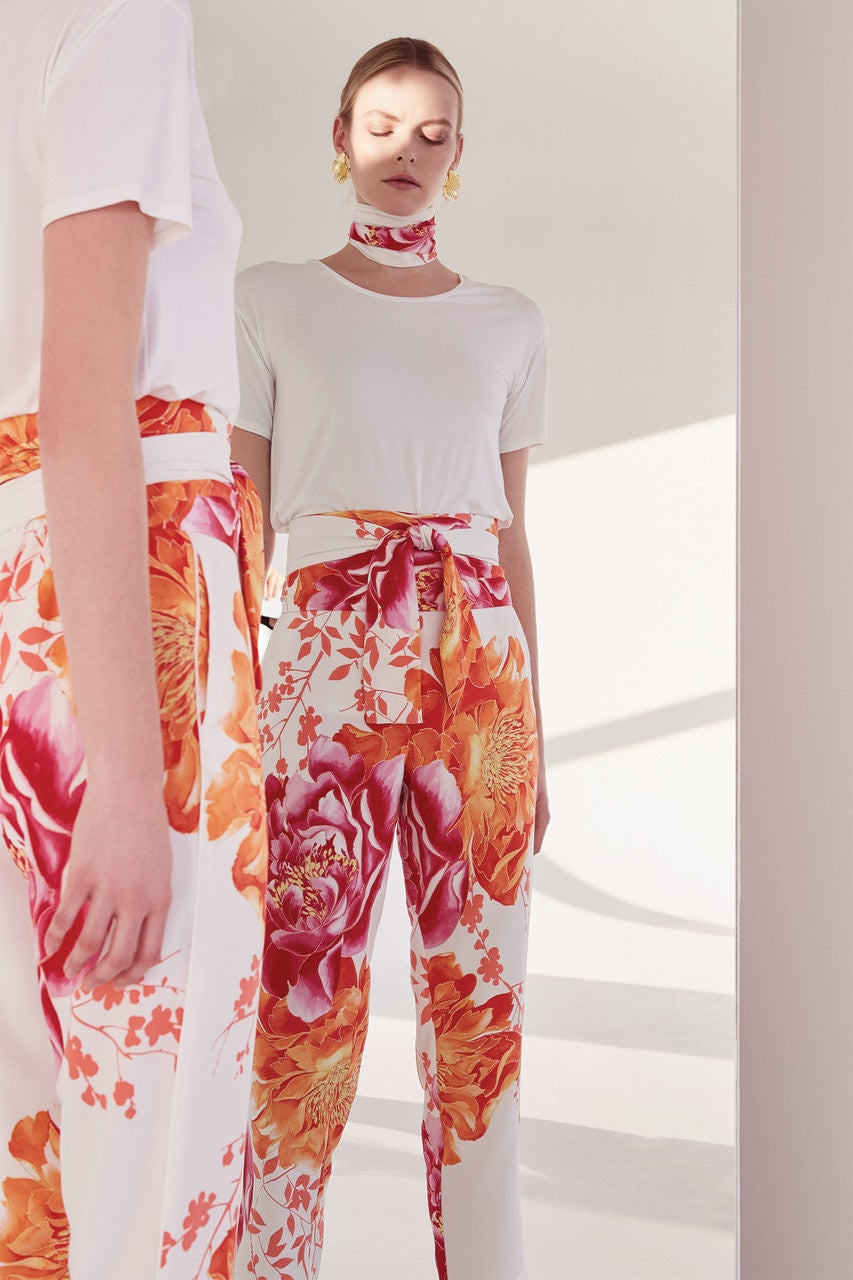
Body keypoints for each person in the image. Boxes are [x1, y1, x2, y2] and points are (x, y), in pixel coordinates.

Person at [231, 36, 549, 1280]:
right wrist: (229, 716)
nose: (406, 151)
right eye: (381, 125)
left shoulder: (509, 321)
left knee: (482, 1011)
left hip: (482, 665)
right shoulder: (270, 298)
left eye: (432, 132)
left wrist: (535, 734)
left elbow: (511, 534)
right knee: (300, 1001)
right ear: (339, 138)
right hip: (323, 659)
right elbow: (241, 522)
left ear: (459, 154)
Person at [0, 2, 267, 1275]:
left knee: (30, 1147)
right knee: (153, 1157)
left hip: (28, 577)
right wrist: (120, 775)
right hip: (124, 583)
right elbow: (83, 384)